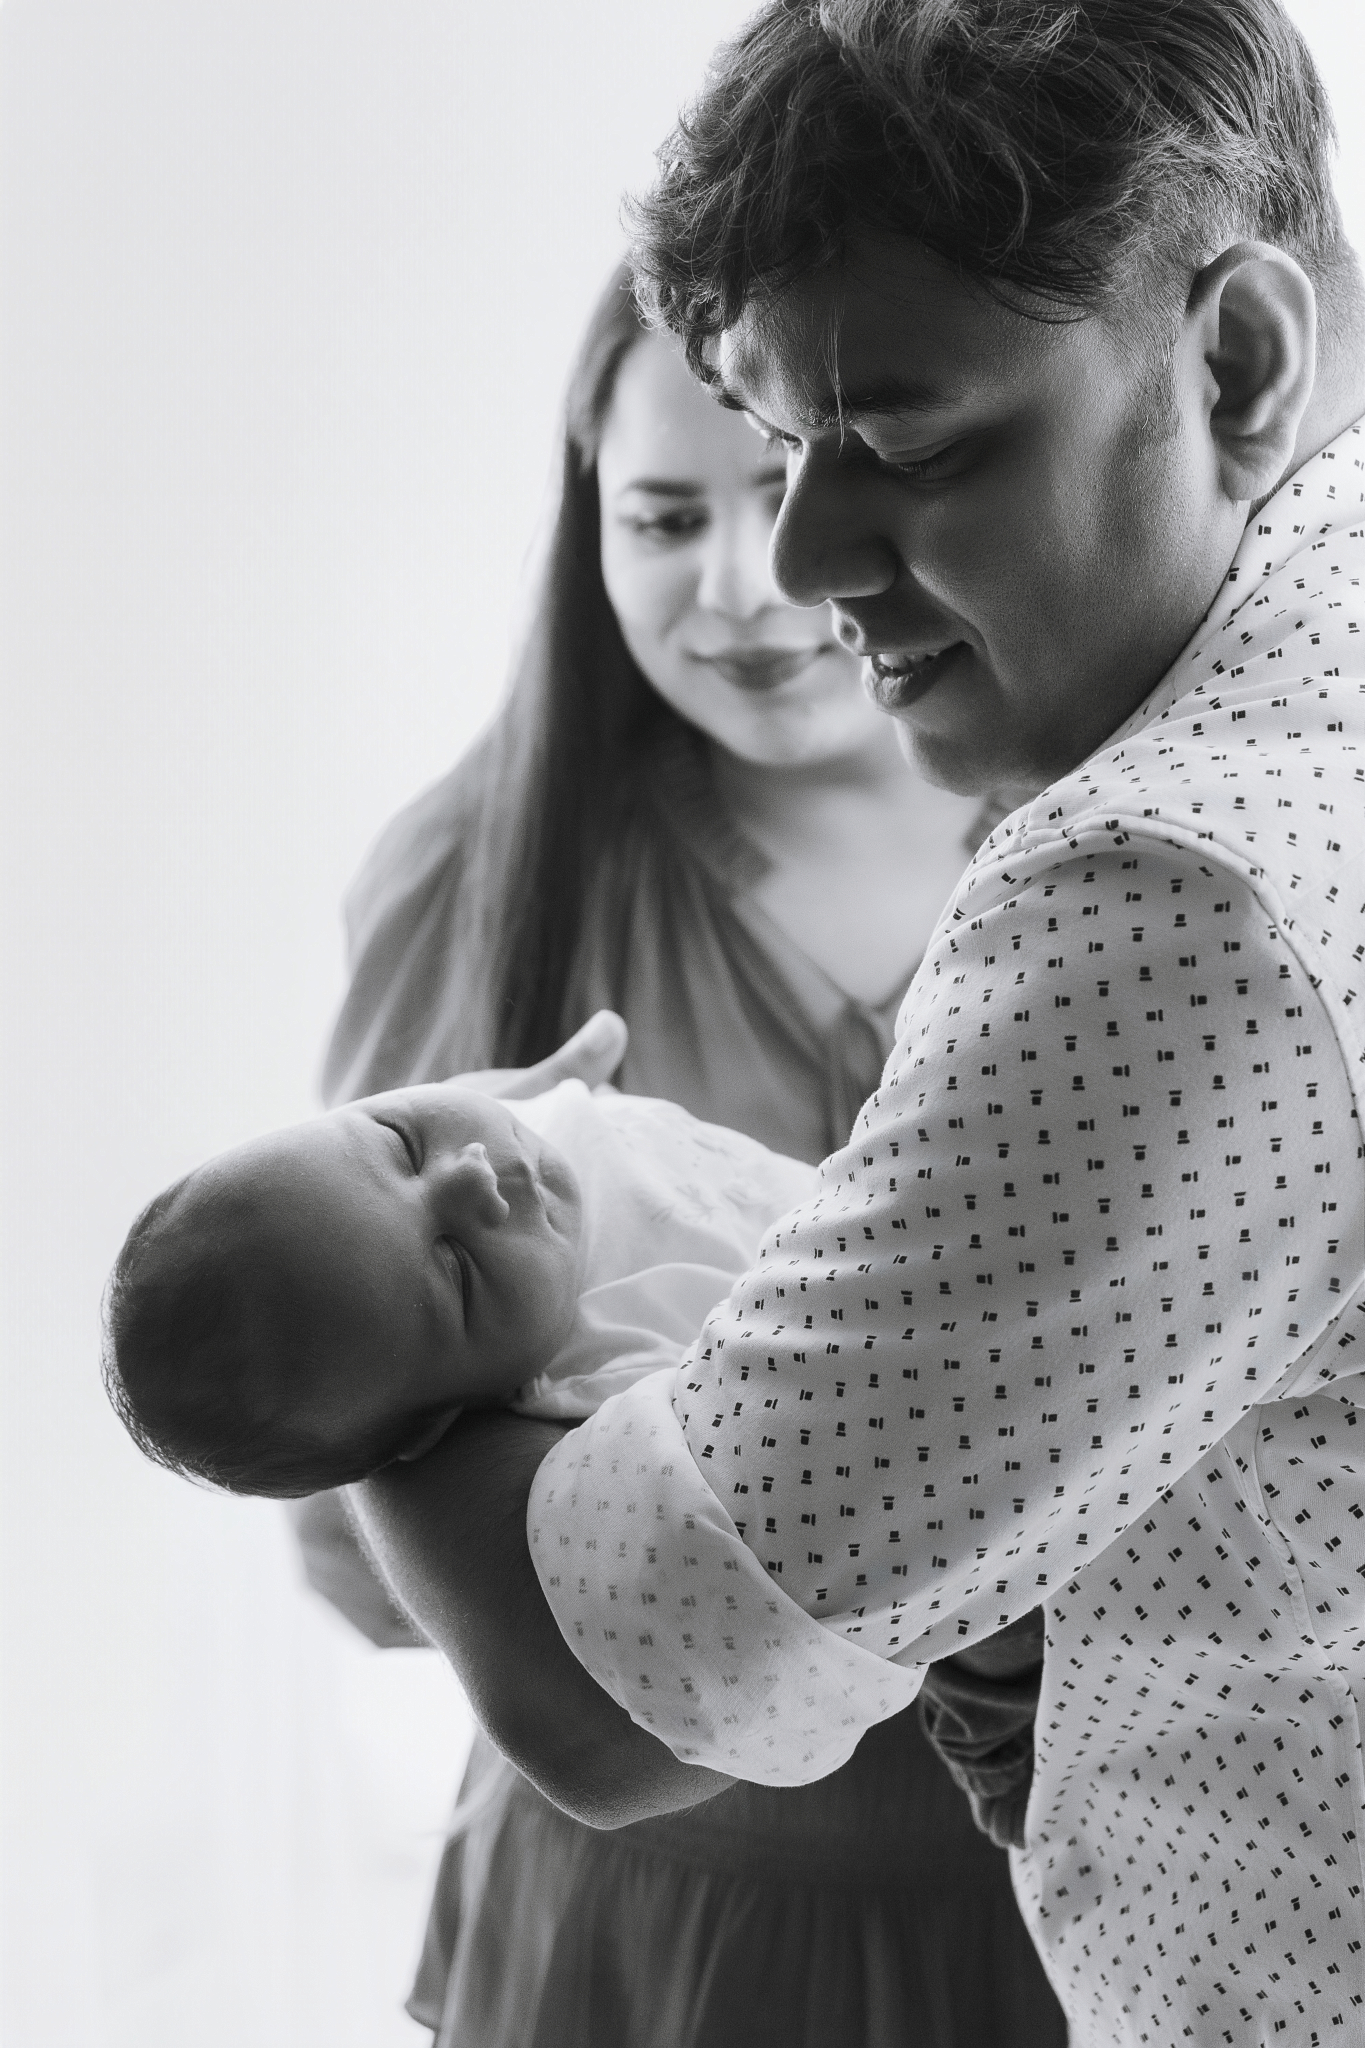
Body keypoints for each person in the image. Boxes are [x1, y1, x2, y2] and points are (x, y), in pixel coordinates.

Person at [343, 5, 1365, 2046]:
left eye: (903, 441)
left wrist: (348, 1342)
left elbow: (628, 1682)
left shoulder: (1158, 905)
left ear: (1236, 362)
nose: (799, 559)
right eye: (752, 439)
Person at [307, 270, 1068, 2044]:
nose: (751, 581)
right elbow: (329, 1442)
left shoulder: (1135, 865)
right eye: (662, 516)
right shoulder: (478, 872)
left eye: (824, 475)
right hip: (648, 1926)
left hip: (1074, 1909)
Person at [101, 1077, 818, 1497]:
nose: (472, 1174)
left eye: (399, 1140)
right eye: (455, 1267)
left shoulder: (533, 1111)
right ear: (441, 1421)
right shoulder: (611, 1385)